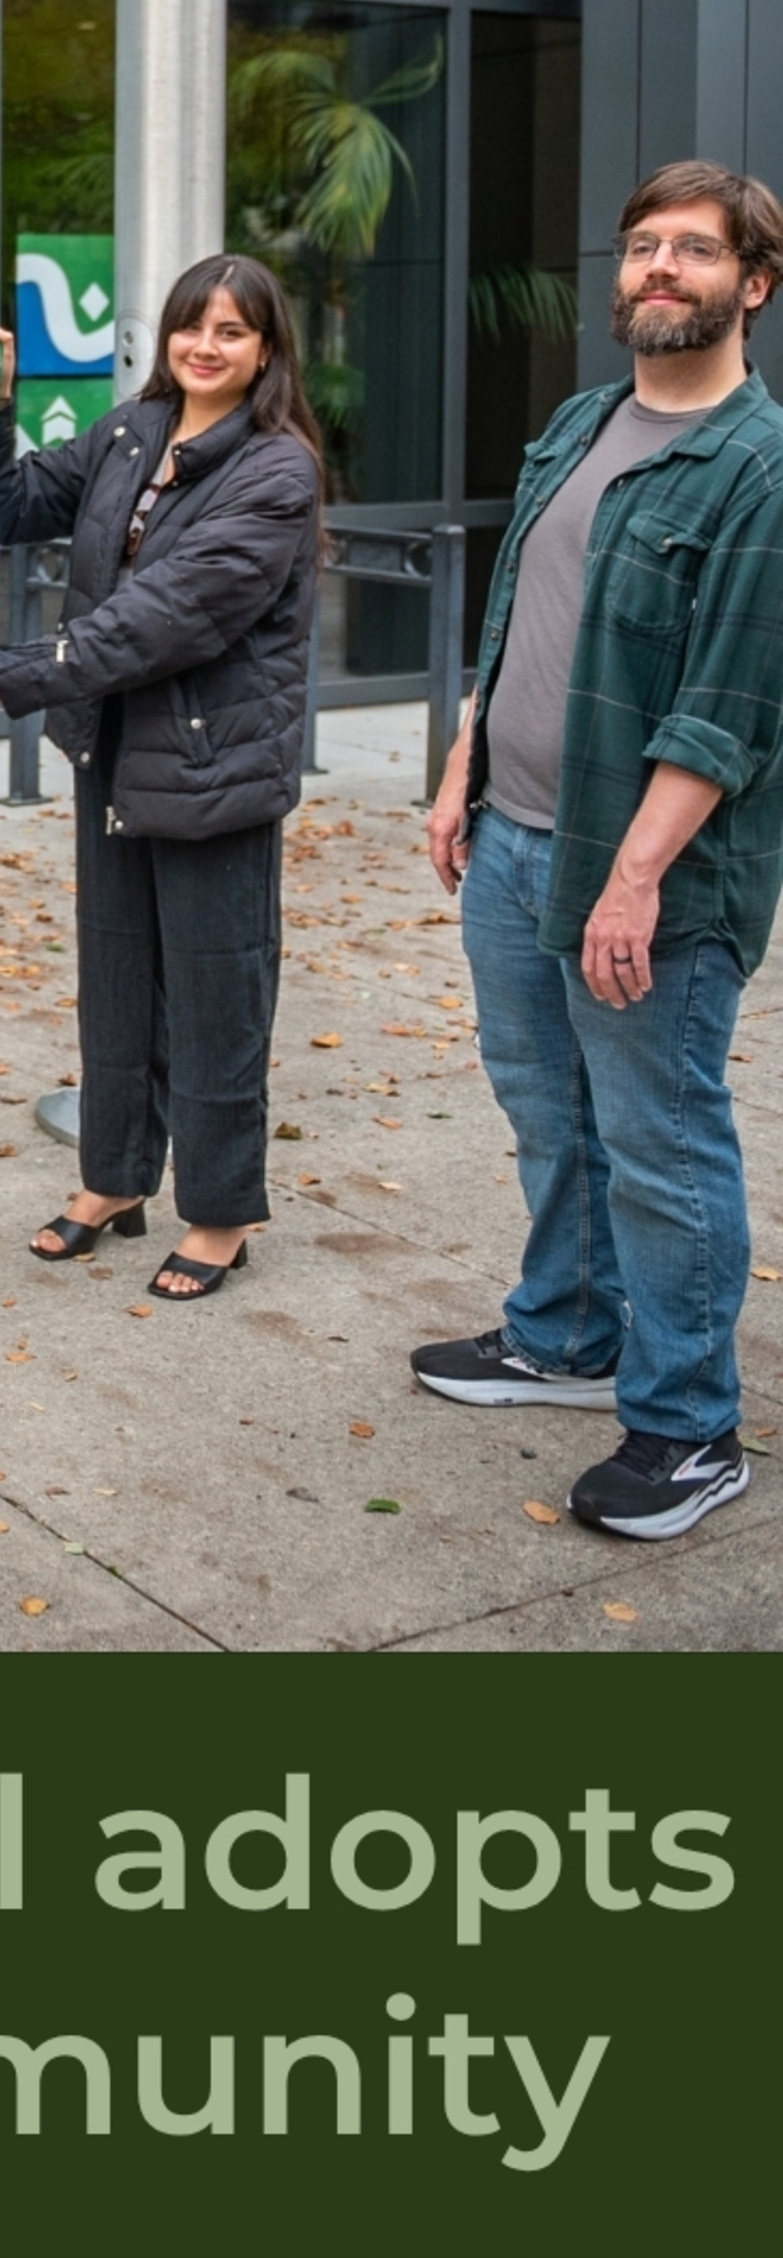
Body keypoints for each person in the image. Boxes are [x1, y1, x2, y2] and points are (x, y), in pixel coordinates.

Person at [415, 160, 783, 1541]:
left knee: (663, 1143)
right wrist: (460, 766)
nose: (659, 269)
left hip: (651, 883)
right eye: (641, 247)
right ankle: (565, 1333)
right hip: (511, 845)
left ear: (753, 283)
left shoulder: (762, 469)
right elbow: (520, 614)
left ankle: (690, 1427)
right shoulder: (582, 425)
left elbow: (730, 703)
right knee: (545, 1111)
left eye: (695, 250)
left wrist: (634, 881)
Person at [0, 255, 325, 1300]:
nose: (205, 348)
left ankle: (220, 1213)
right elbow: (12, 502)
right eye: (190, 327)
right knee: (117, 989)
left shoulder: (274, 470)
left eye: (231, 333)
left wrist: (27, 670)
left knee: (217, 1000)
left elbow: (171, 615)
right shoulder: (131, 431)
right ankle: (113, 1183)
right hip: (115, 758)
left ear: (266, 352)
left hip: (213, 769)